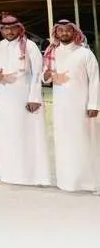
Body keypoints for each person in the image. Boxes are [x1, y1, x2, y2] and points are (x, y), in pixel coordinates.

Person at [0, 13, 51, 187]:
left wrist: (34, 98)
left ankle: (31, 175)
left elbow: (37, 72)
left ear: (19, 28)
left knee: (27, 135)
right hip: (5, 99)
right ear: (1, 30)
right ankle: (9, 173)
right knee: (8, 135)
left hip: (25, 98)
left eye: (13, 28)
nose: (9, 32)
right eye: (6, 29)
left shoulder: (29, 46)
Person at [42, 19, 100, 192]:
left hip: (81, 106)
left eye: (68, 30)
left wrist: (93, 104)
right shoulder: (52, 53)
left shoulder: (85, 53)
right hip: (61, 106)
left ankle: (87, 181)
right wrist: (47, 75)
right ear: (56, 33)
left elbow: (95, 79)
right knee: (63, 142)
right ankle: (66, 181)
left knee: (83, 142)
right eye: (61, 30)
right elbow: (45, 78)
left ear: (74, 32)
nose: (64, 33)